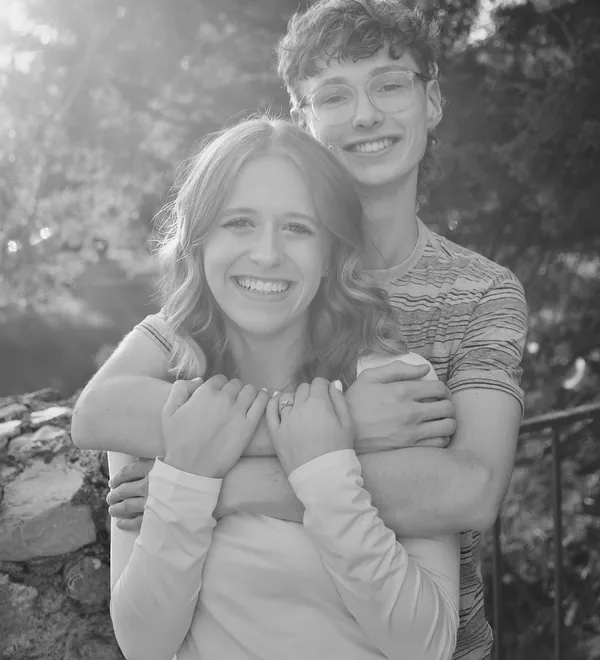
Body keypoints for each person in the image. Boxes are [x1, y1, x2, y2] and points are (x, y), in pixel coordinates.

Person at [72, 0, 527, 660]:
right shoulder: (231, 299)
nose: (365, 115)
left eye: (389, 86)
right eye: (335, 95)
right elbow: (102, 411)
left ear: (431, 101)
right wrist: (344, 426)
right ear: (303, 117)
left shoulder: (482, 292)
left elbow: (470, 491)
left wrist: (209, 479)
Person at [107, 116, 460, 660]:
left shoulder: (396, 389)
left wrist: (325, 472)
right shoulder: (158, 396)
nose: (267, 254)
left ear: (331, 255)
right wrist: (187, 477)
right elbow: (143, 645)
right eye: (239, 222)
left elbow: (429, 646)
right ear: (198, 244)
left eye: (298, 227)